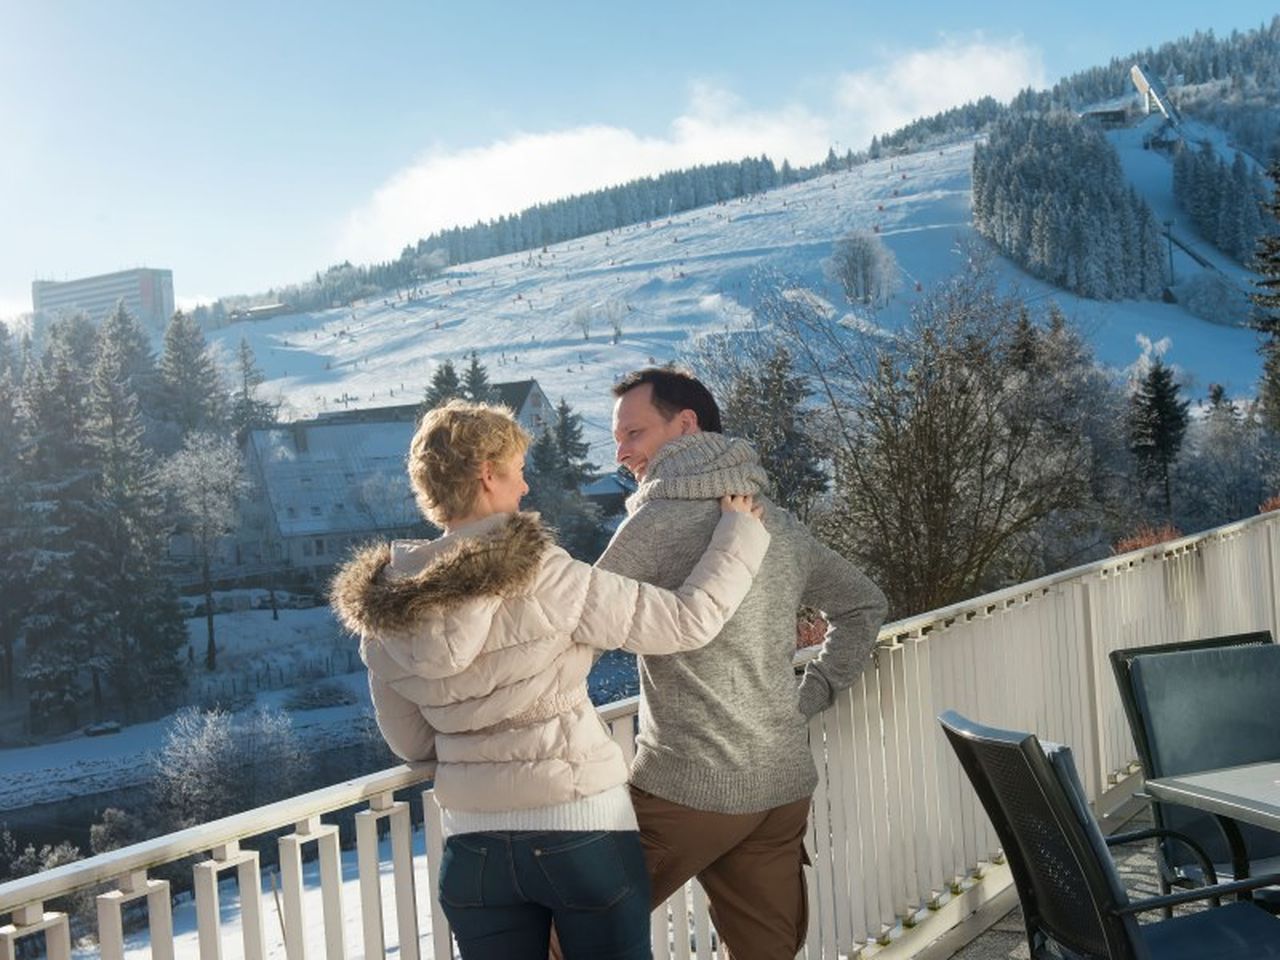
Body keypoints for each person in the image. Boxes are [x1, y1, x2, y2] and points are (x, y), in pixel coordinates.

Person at [329, 399, 770, 960]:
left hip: (473, 851)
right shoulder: (544, 573)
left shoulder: (386, 612)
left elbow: (411, 744)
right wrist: (740, 533)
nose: (525, 487)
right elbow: (687, 620)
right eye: (516, 471)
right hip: (580, 831)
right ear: (487, 476)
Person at [599, 368, 887, 960]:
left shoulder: (652, 524)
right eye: (617, 439)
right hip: (778, 790)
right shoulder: (776, 521)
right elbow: (864, 604)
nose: (623, 452)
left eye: (634, 432)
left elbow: (574, 629)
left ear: (686, 425)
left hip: (687, 792)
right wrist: (809, 694)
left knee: (567, 932)